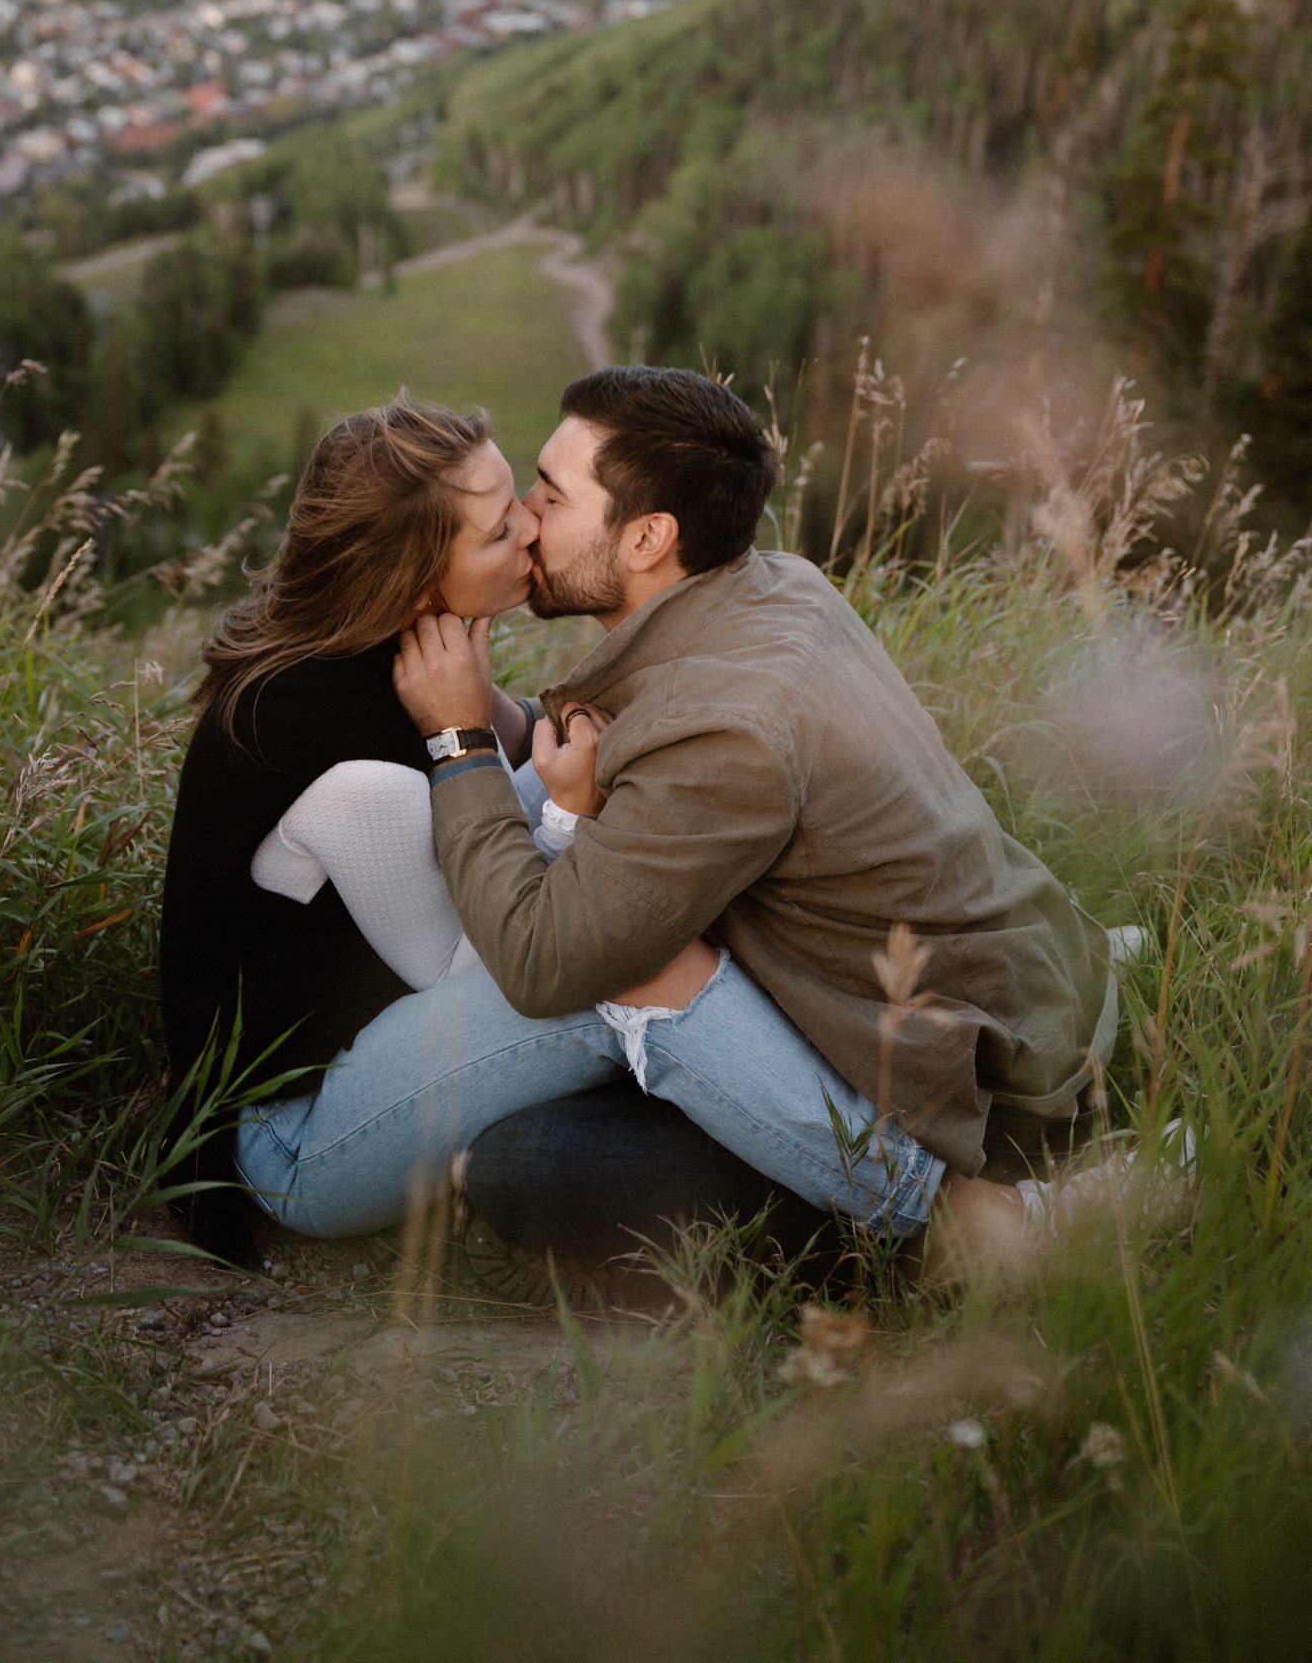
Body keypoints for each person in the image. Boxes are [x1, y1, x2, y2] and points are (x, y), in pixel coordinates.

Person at [157, 389, 953, 1270]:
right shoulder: (348, 771)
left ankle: (886, 1081)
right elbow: (487, 960)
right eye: (501, 529)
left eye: (524, 497)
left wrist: (555, 770)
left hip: (376, 1034)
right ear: (423, 580)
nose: (533, 527)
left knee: (634, 904)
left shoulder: (405, 654)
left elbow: (486, 799)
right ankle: (920, 1198)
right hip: (300, 1137)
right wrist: (571, 815)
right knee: (613, 965)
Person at [394, 365, 1121, 1276]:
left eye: (552, 490)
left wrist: (459, 740)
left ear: (649, 536)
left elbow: (549, 961)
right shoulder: (776, 586)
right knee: (543, 1137)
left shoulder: (724, 728)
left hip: (984, 1095)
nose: (529, 517)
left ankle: (972, 1222)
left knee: (514, 1164)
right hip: (1019, 995)